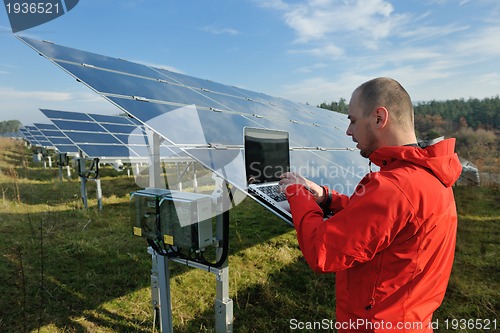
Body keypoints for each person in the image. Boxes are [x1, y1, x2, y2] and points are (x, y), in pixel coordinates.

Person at [279, 77, 462, 332]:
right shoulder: (430, 176)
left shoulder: (392, 187)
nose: (348, 131)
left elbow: (320, 250)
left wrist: (296, 192)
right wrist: (327, 198)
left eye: (352, 120)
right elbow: (383, 222)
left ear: (379, 117)